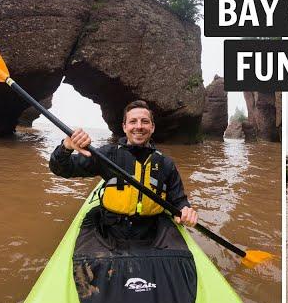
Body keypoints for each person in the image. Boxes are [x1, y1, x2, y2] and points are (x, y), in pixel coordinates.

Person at [49, 100, 198, 242]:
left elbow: (179, 201)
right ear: (124, 127)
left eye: (145, 121)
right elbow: (62, 169)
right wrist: (66, 147)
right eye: (133, 121)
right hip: (111, 229)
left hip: (153, 231)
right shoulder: (107, 155)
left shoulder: (166, 164)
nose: (139, 126)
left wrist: (186, 211)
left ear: (152, 127)